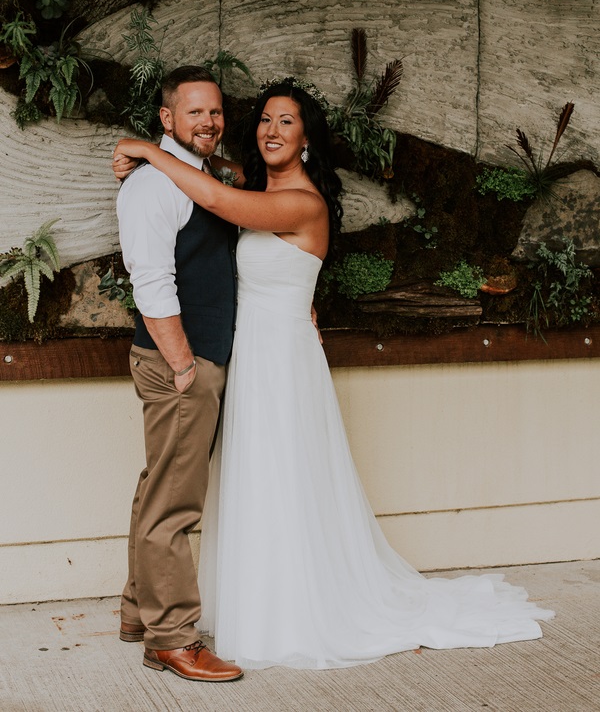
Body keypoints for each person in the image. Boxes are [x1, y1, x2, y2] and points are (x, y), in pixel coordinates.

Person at [114, 78, 554, 671]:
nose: (271, 130)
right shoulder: (234, 178)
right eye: (265, 120)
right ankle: (152, 615)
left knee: (266, 483)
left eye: (286, 122)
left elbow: (222, 206)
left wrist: (149, 149)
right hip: (248, 356)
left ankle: (261, 611)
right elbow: (220, 215)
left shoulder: (301, 202)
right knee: (192, 483)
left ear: (307, 141)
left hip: (280, 366)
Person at [115, 65, 242, 682]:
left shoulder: (198, 173)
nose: (209, 123)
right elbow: (151, 282)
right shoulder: (151, 187)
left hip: (189, 359)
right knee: (176, 501)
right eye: (195, 112)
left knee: (158, 484)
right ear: (167, 119)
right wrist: (184, 363)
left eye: (215, 113)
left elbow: (236, 180)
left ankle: (140, 610)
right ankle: (173, 637)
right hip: (179, 364)